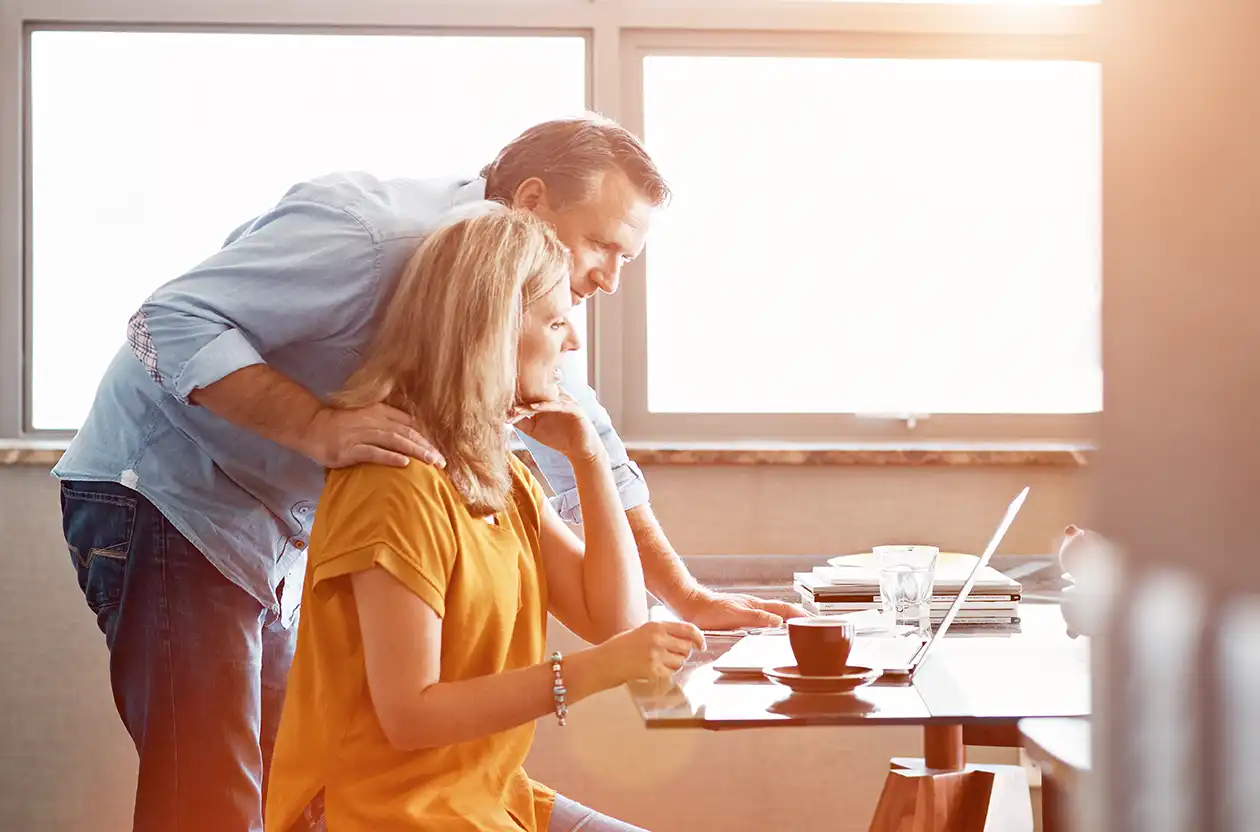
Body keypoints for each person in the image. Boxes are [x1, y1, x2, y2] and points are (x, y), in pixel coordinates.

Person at [53, 115, 803, 831]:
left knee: (296, 781)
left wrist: (685, 594)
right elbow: (167, 323)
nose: (603, 288)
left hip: (277, 527)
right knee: (213, 796)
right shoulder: (373, 236)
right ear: (533, 204)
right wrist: (317, 427)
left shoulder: (508, 364)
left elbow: (591, 449)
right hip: (165, 487)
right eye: (600, 248)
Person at [264, 205, 704, 832]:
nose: (573, 341)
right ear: (494, 333)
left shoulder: (501, 476)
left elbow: (617, 622)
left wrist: (588, 460)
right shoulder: (393, 485)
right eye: (557, 321)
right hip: (384, 814)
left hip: (483, 797)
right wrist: (589, 673)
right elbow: (410, 715)